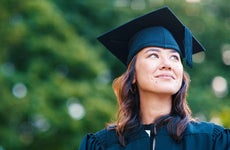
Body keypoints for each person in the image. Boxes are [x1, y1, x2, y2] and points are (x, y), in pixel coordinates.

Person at [79, 7, 230, 150]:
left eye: (174, 57)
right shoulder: (103, 145)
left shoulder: (211, 141)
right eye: (153, 55)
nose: (167, 64)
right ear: (133, 75)